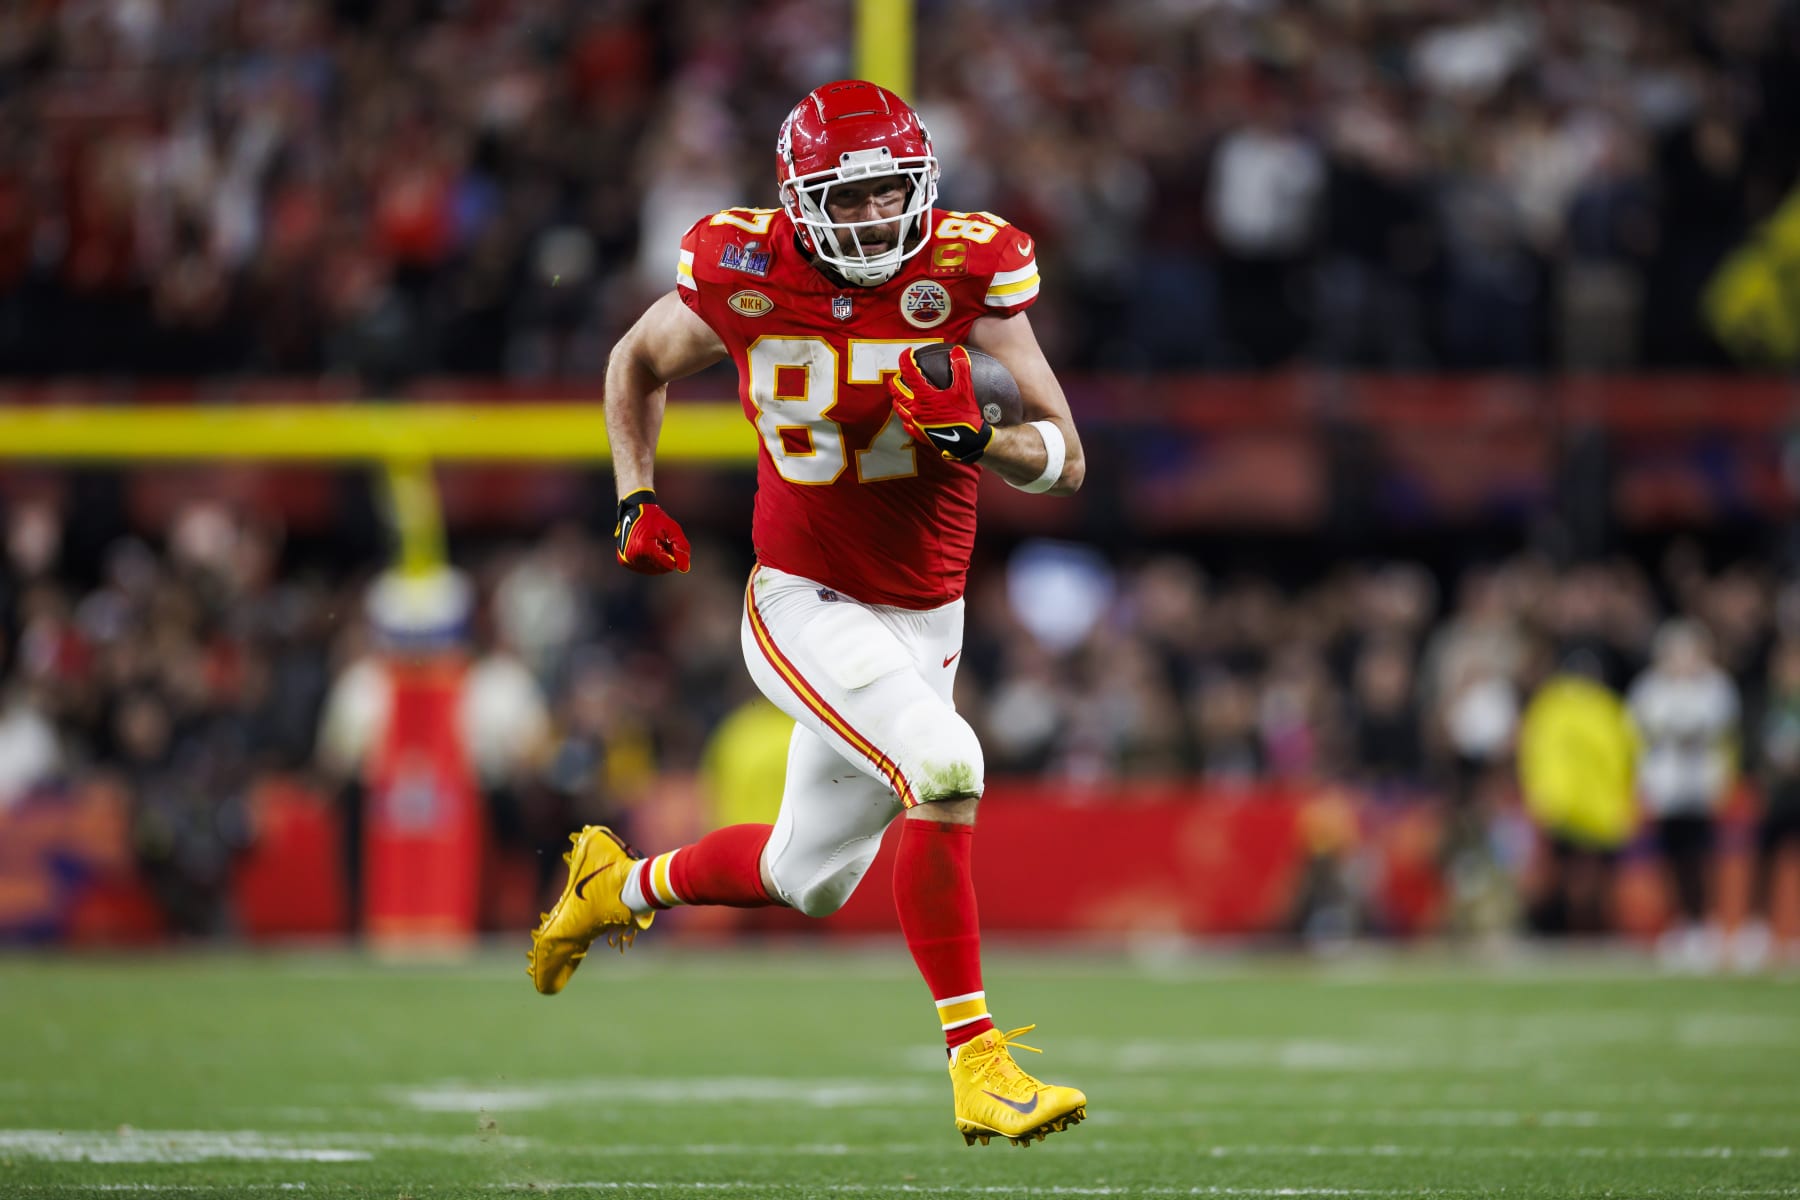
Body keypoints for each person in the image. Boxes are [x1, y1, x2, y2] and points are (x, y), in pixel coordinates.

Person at [527, 80, 1088, 1147]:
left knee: (807, 877)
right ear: (799, 201)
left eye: (891, 192)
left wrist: (984, 441)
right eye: (850, 197)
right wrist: (634, 492)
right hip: (803, 598)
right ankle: (978, 1062)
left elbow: (1065, 459)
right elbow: (635, 360)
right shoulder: (744, 268)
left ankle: (616, 885)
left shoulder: (968, 271)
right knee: (947, 766)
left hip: (928, 618)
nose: (875, 217)